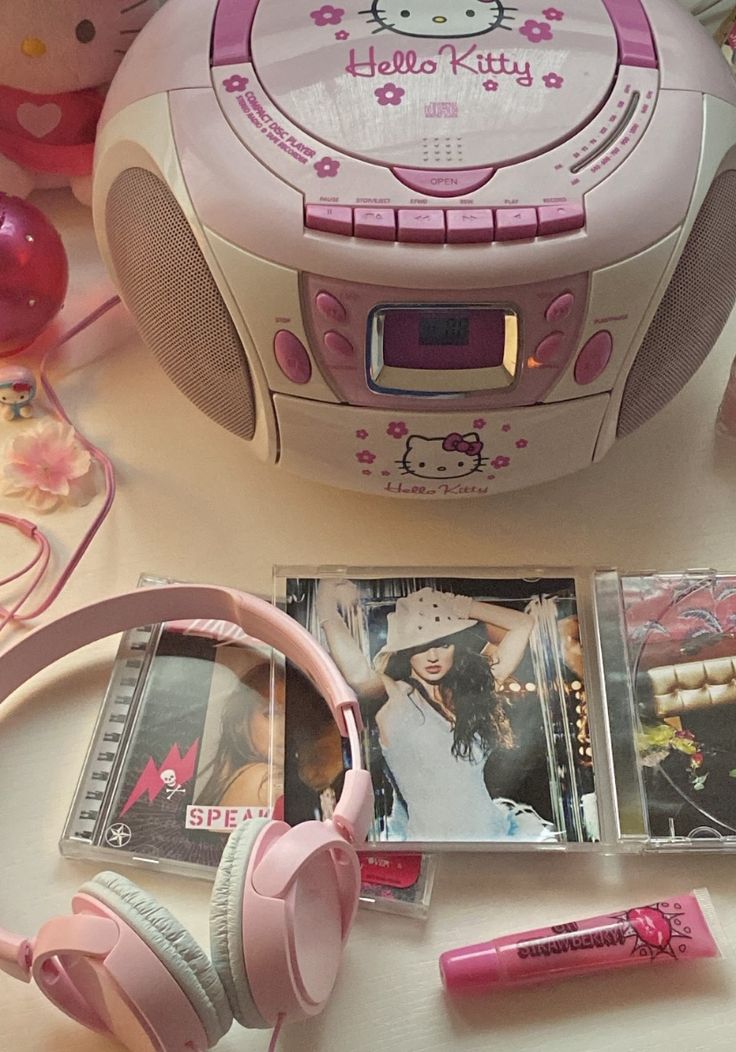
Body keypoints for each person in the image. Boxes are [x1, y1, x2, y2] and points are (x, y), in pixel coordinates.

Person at [315, 580, 555, 842]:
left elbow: (523, 624)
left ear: (456, 646)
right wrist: (326, 606)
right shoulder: (395, 697)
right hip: (433, 847)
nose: (432, 656)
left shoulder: (468, 696)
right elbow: (358, 675)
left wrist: (460, 605)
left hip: (495, 837)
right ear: (405, 651)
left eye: (443, 644)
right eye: (420, 646)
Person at [195, 661, 283, 809]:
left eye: (295, 715)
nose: (284, 728)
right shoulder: (265, 781)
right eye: (271, 714)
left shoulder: (232, 780)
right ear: (239, 723)